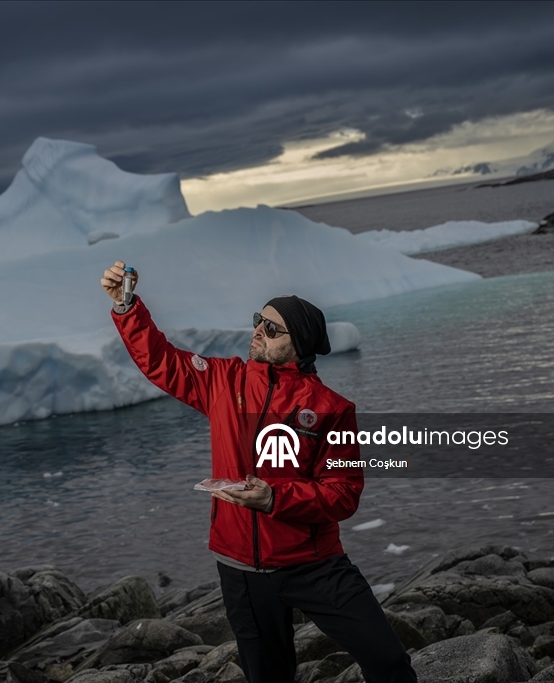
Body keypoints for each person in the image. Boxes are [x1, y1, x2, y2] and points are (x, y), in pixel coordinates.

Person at [101, 261, 416, 683]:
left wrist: (274, 499)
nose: (258, 331)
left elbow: (343, 494)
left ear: (298, 342)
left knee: (389, 661)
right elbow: (161, 361)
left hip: (314, 563)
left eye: (272, 328)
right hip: (240, 568)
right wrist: (127, 308)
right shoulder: (222, 380)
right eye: (258, 321)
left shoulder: (332, 409)